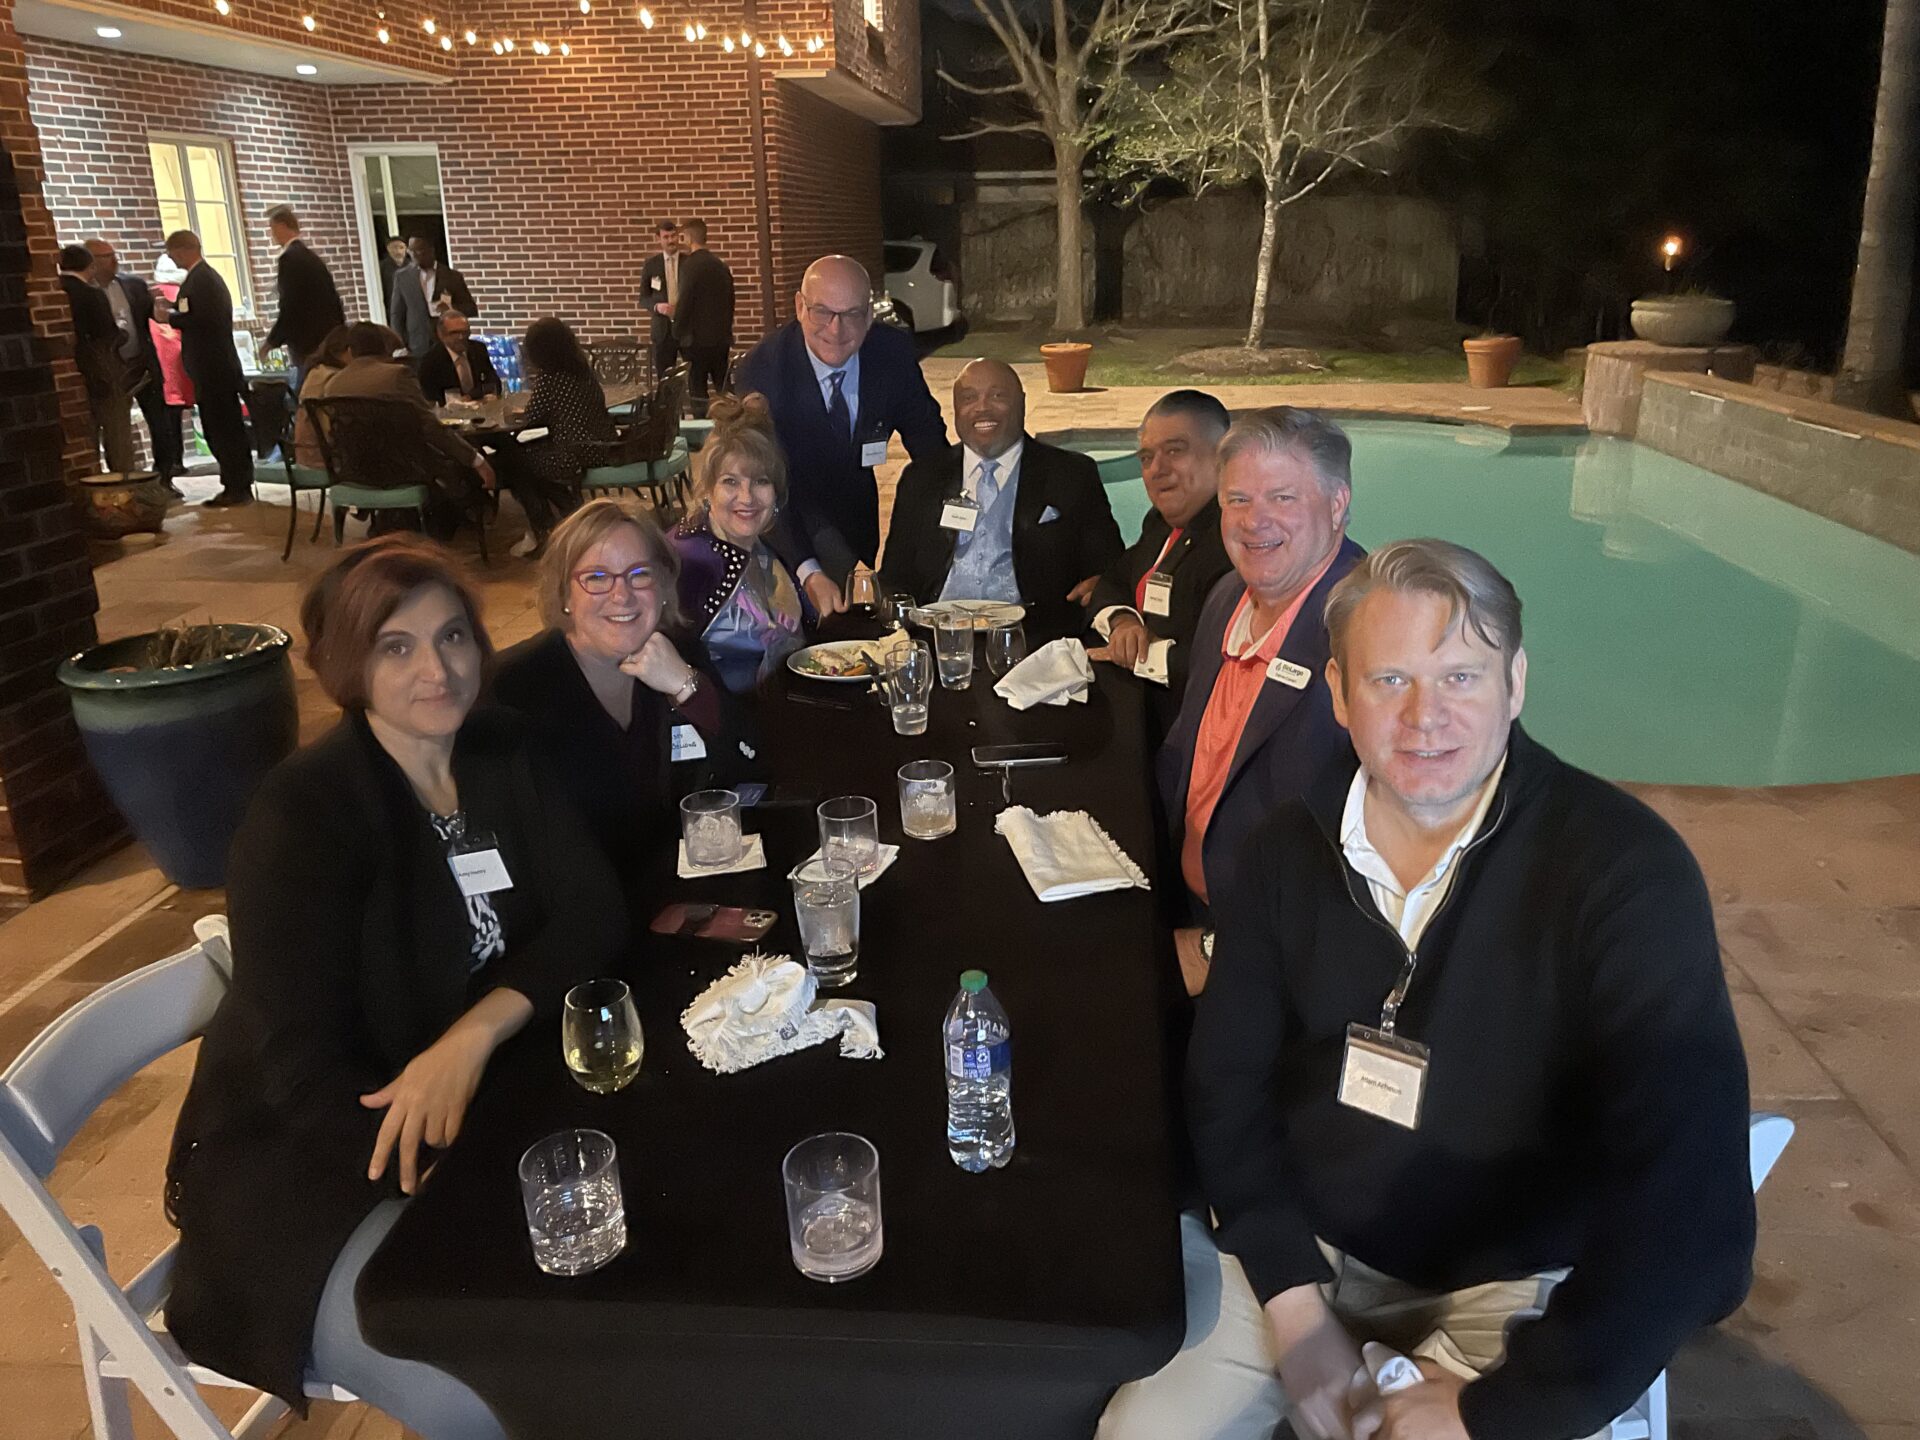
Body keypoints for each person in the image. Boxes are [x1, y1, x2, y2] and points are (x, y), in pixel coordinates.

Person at [1102, 538, 1755, 1440]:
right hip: (1308, 1244)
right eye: (1390, 680)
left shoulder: (1624, 873)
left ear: (1515, 684)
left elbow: (1692, 1207)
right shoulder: (1285, 853)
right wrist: (1294, 1306)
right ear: (1338, 694)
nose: (1425, 718)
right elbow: (1227, 1083)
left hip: (1510, 1278)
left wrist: (1494, 1411)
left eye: (1460, 678)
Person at [164, 535, 624, 1438]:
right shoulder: (302, 817)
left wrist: (472, 1036)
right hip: (310, 1174)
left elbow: (594, 912)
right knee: (497, 1380)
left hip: (473, 1106)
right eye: (396, 646)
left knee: (612, 1301)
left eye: (452, 637)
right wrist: (459, 1181)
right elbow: (303, 1079)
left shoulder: (497, 749)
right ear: (348, 664)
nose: (437, 671)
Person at [1155, 407, 1364, 996]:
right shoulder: (1228, 597)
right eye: (1238, 500)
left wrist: (1217, 948)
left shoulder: (1370, 631)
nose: (1253, 521)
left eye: (1282, 498)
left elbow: (1385, 854)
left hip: (1280, 965)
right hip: (1190, 907)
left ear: (1338, 504)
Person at [492, 499, 755, 894]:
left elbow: (748, 758)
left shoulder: (679, 652)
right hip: (588, 908)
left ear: (662, 585)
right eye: (597, 577)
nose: (622, 594)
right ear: (564, 594)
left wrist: (686, 687)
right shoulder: (515, 688)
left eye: (639, 574)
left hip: (684, 891)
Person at [733, 253, 948, 599]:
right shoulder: (763, 372)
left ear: (869, 314)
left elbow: (929, 443)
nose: (836, 330)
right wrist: (807, 568)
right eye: (822, 312)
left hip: (857, 518)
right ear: (800, 307)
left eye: (851, 314)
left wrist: (950, 518)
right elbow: (760, 482)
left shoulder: (891, 353)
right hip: (784, 520)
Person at [879, 359, 1123, 639]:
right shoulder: (922, 478)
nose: (982, 407)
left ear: (1022, 403)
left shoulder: (1071, 474)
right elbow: (894, 577)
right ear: (956, 409)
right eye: (969, 398)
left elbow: (1109, 568)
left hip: (1034, 640)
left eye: (997, 395)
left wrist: (1103, 586)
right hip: (935, 637)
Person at [1087, 390, 1237, 703]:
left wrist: (1140, 655)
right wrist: (1123, 621)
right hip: (1136, 700)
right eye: (1146, 458)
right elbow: (1113, 580)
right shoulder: (1159, 523)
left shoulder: (1238, 543)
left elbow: (1222, 662)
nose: (1157, 469)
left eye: (1174, 451)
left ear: (1223, 457)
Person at [669, 393, 809, 692]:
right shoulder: (688, 561)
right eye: (730, 481)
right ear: (708, 489)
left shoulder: (765, 548)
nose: (746, 498)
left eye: (760, 481)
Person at [320, 322, 497, 536]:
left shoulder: (332, 384)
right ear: (384, 347)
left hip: (354, 471)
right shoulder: (396, 375)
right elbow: (429, 426)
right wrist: (475, 459)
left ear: (350, 351)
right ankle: (468, 518)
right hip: (403, 471)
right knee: (457, 462)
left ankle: (397, 522)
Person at [495, 317, 615, 557]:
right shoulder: (582, 371)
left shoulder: (551, 378)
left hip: (572, 453)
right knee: (527, 464)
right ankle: (563, 511)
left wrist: (515, 414)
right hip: (599, 447)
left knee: (511, 462)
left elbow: (532, 416)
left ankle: (543, 528)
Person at [158, 230, 254, 506]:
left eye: (172, 252)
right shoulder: (200, 279)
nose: (171, 259)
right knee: (220, 427)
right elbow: (193, 310)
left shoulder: (203, 280)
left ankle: (237, 486)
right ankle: (234, 483)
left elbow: (204, 319)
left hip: (215, 368)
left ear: (183, 250)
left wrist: (170, 318)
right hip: (213, 367)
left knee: (223, 428)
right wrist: (175, 309)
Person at [83, 237, 176, 487]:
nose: (114, 260)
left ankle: (165, 478)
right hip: (112, 372)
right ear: (91, 261)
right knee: (117, 431)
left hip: (142, 365)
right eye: (106, 256)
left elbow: (153, 317)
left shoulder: (133, 285)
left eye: (114, 254)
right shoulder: (86, 292)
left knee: (160, 424)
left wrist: (161, 307)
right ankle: (123, 483)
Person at [58, 243, 135, 474]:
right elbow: (107, 335)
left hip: (71, 375)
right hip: (103, 372)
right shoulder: (91, 294)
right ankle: (123, 483)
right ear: (90, 266)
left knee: (86, 436)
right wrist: (123, 333)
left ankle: (93, 480)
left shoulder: (56, 291)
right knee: (117, 435)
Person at [264, 205, 346, 393]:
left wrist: (271, 342)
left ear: (282, 226)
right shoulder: (311, 257)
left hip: (307, 341)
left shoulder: (289, 259)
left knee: (307, 391)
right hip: (326, 336)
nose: (271, 234)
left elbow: (290, 305)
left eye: (272, 228)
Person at [670, 218, 734, 418]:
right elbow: (730, 299)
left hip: (696, 340)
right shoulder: (720, 265)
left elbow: (685, 301)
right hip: (720, 338)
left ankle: (702, 429)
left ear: (689, 238)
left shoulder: (690, 266)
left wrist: (676, 331)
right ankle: (731, 423)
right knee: (723, 387)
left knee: (698, 390)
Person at [389, 235, 479, 358]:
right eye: (410, 251)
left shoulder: (452, 276)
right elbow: (397, 313)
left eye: (418, 250)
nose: (413, 255)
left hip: (448, 341)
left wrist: (450, 308)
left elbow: (471, 308)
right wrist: (400, 343)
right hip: (417, 343)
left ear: (430, 250)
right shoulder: (402, 277)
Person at [293, 324, 354, 468]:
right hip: (328, 461)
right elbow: (334, 432)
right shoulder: (335, 379)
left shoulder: (316, 373)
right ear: (348, 351)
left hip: (305, 456)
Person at [419, 311, 502, 404]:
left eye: (465, 332)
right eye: (454, 333)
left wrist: (471, 396)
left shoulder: (478, 349)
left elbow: (494, 383)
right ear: (441, 335)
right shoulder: (431, 360)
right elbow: (430, 397)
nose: (460, 337)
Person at [637, 218, 681, 378]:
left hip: (686, 328)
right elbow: (643, 297)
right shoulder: (651, 265)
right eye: (666, 237)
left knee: (692, 374)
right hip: (662, 330)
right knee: (665, 376)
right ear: (659, 239)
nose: (671, 241)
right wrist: (657, 307)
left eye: (673, 236)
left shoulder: (689, 262)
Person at [378, 235, 410, 318]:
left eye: (401, 248)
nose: (398, 252)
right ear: (388, 249)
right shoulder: (381, 268)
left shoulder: (413, 266)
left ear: (406, 249)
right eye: (394, 248)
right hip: (391, 310)